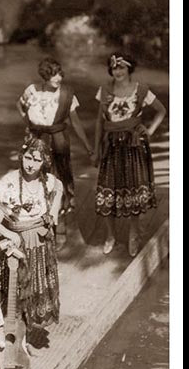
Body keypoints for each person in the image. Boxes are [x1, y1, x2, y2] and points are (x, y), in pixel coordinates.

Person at [93, 53, 167, 256]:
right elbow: (100, 122)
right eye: (114, 68)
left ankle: (134, 234)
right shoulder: (105, 90)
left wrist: (150, 131)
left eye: (122, 68)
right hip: (111, 147)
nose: (117, 71)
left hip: (134, 146)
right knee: (108, 191)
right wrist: (96, 149)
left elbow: (161, 110)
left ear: (129, 69)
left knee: (134, 190)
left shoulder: (141, 91)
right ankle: (111, 235)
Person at [0, 137, 63, 337]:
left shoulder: (50, 182)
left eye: (37, 160)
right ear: (22, 156)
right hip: (15, 240)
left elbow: (59, 188)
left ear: (44, 162)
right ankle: (12, 334)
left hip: (38, 240)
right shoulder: (9, 181)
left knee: (35, 284)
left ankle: (27, 332)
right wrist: (5, 231)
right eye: (28, 158)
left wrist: (53, 214)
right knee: (13, 287)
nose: (31, 164)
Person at [17, 56, 93, 217]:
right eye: (54, 75)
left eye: (60, 74)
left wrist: (88, 146)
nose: (58, 78)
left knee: (60, 173)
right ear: (45, 75)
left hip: (58, 139)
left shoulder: (66, 94)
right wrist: (29, 123)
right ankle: (35, 208)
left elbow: (76, 123)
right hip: (35, 139)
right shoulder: (32, 90)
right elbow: (20, 105)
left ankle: (61, 209)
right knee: (33, 173)